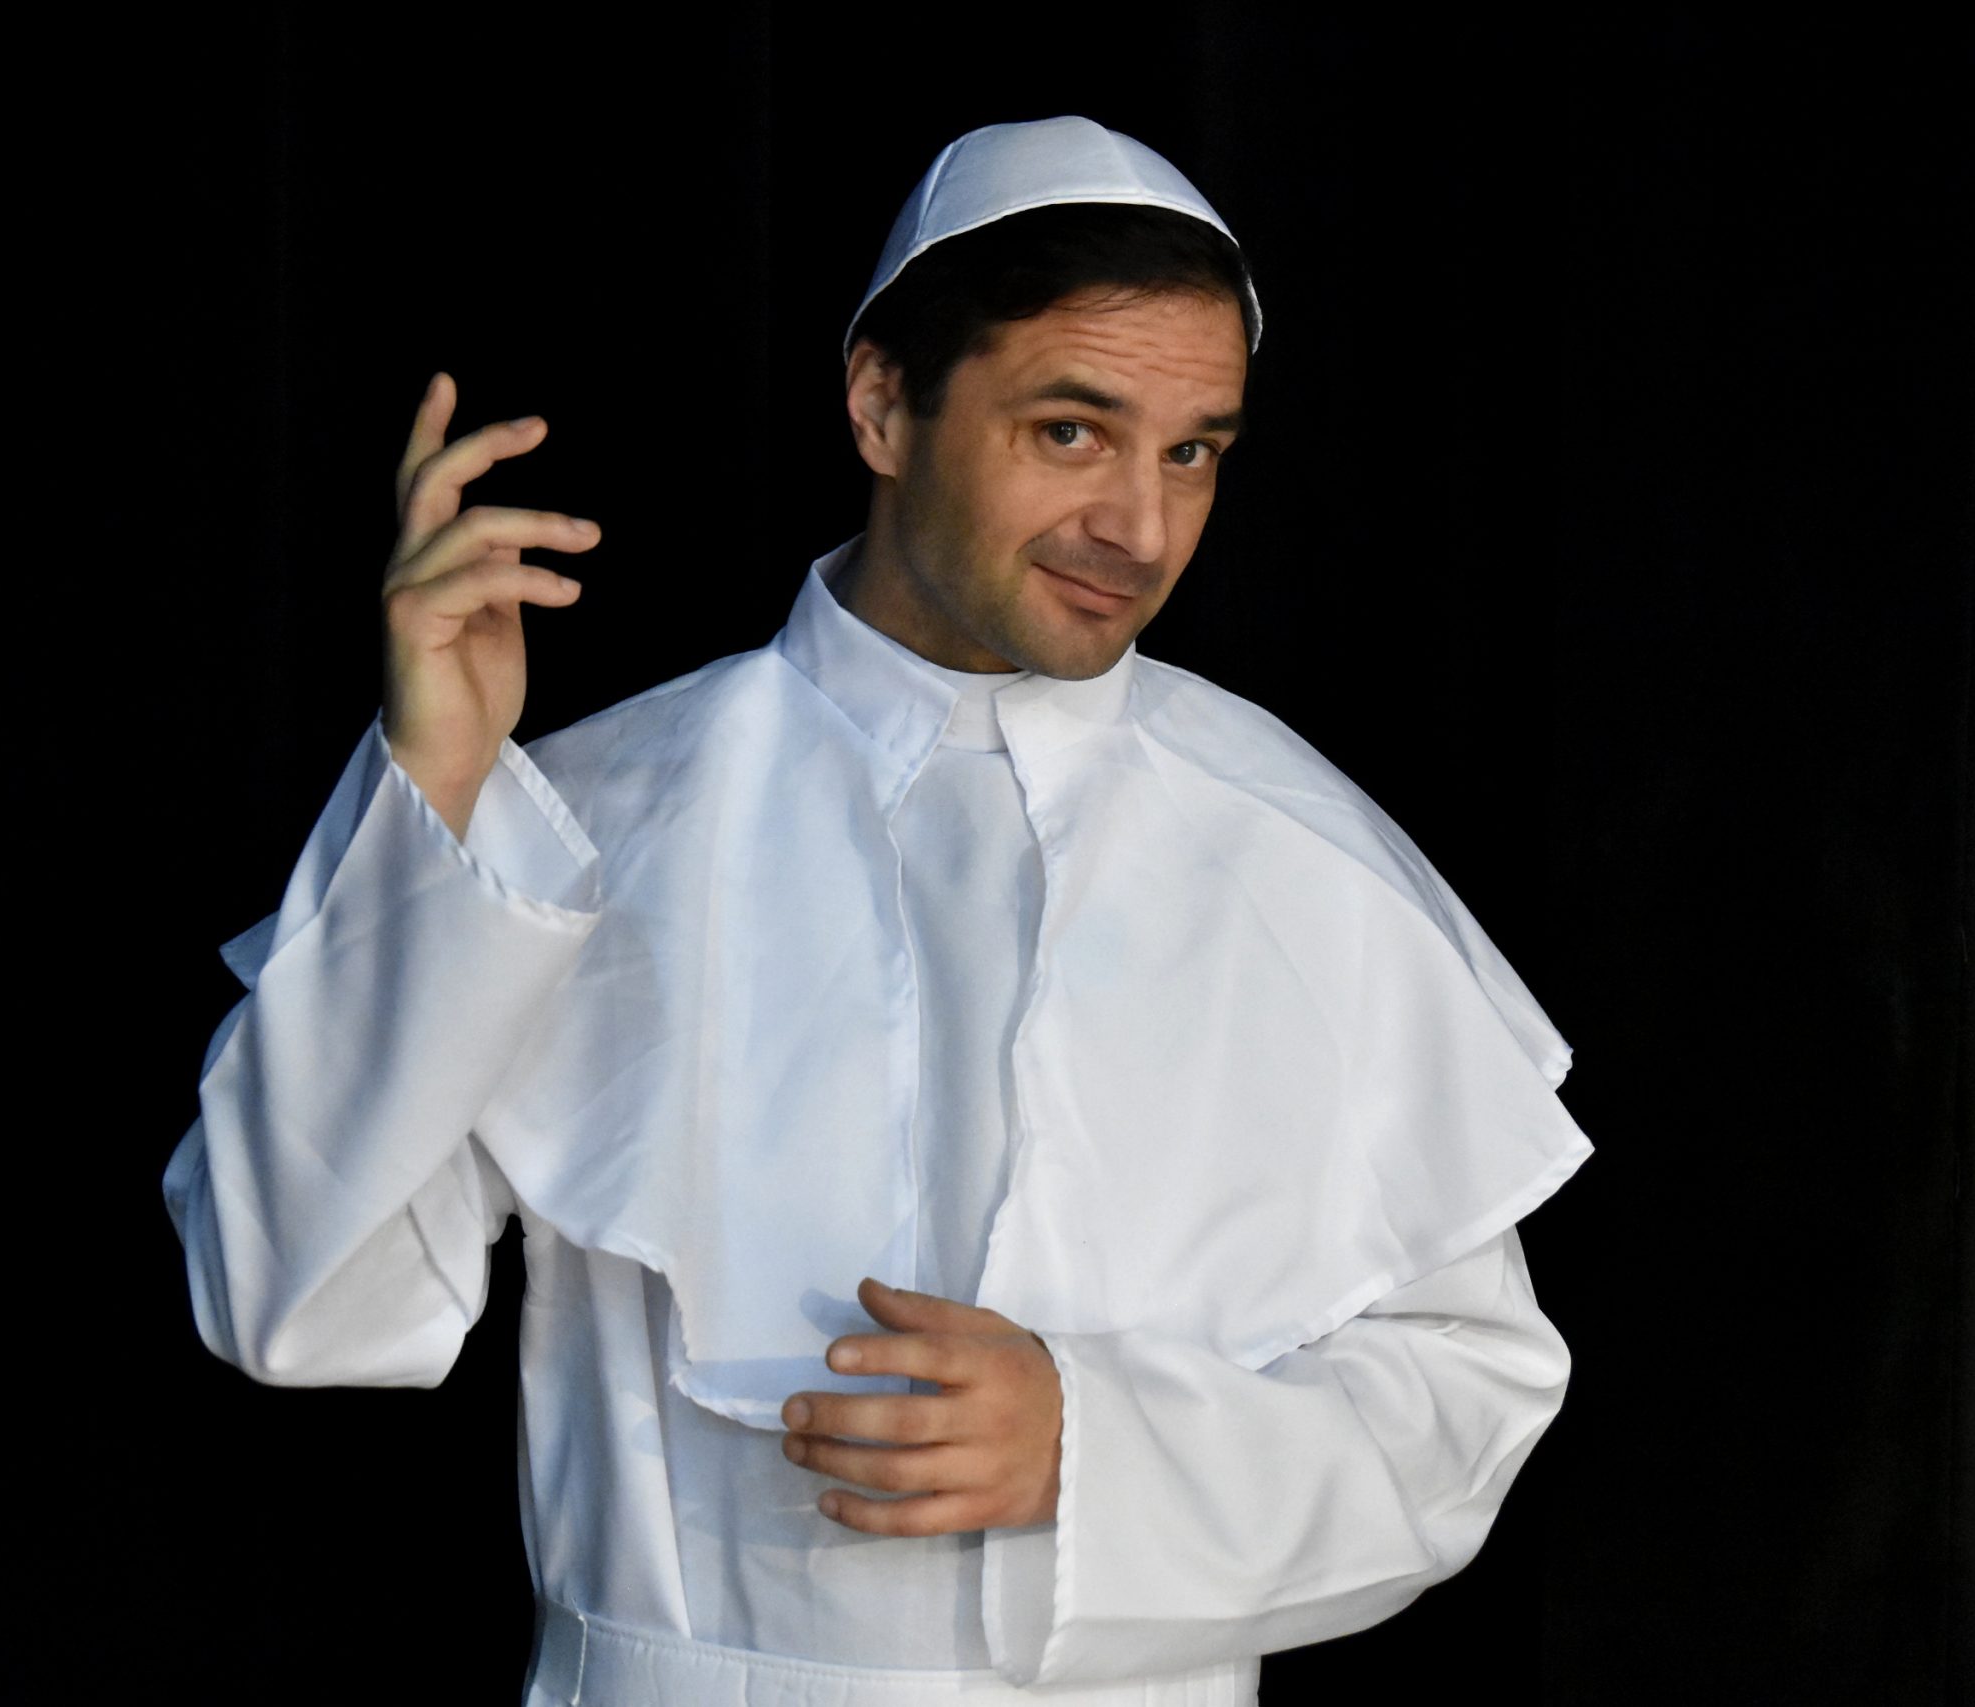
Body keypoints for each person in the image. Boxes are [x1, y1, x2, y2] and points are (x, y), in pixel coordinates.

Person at [164, 115, 1593, 1706]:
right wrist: (435, 789)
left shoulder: (1301, 855)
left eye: (1193, 451)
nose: (1141, 527)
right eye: (1072, 430)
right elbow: (288, 1301)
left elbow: (1462, 1405)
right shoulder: (591, 818)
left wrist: (1095, 1448)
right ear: (882, 404)